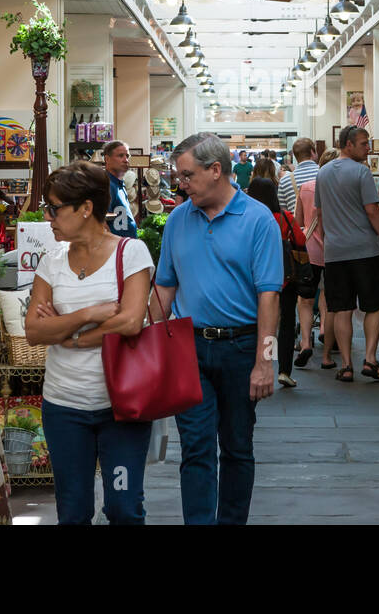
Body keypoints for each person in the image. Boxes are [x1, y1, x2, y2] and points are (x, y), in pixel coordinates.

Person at [154, 132, 282, 524]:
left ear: (215, 170)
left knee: (237, 447)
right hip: (188, 347)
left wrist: (266, 362)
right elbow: (164, 288)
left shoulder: (258, 220)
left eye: (187, 175)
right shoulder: (178, 219)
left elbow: (270, 298)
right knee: (195, 447)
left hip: (242, 349)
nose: (181, 183)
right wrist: (148, 346)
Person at [22, 162, 154, 524]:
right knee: (73, 509)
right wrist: (88, 314)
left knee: (124, 507)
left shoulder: (131, 253)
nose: (49, 217)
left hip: (122, 405)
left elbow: (130, 320)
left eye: (55, 208)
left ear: (85, 208)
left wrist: (71, 337)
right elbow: (33, 331)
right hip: (64, 406)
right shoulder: (52, 262)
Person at [315, 126, 379, 383]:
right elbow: (372, 210)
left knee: (341, 308)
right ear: (348, 145)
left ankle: (347, 365)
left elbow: (319, 213)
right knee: (373, 305)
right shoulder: (362, 172)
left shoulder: (323, 173)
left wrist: (329, 241)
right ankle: (370, 360)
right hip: (364, 250)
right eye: (363, 144)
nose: (368, 149)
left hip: (336, 252)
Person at [246, 176, 307, 389]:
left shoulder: (247, 218)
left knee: (260, 324)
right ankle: (283, 370)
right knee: (287, 325)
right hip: (286, 278)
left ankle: (262, 362)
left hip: (255, 279)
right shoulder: (285, 218)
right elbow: (300, 240)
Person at [295, 148, 338, 369]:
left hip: (310, 247)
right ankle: (327, 353)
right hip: (334, 248)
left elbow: (298, 221)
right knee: (328, 298)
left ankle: (304, 343)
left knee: (305, 299)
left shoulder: (306, 188)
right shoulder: (340, 189)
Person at [102, 140, 138, 239]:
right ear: (107, 159)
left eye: (127, 156)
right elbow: (100, 220)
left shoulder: (118, 185)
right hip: (116, 250)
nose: (125, 160)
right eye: (120, 156)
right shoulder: (106, 184)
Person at [279, 137, 318, 213]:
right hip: (321, 223)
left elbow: (284, 214)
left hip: (296, 224)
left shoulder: (284, 181)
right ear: (312, 152)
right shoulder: (325, 174)